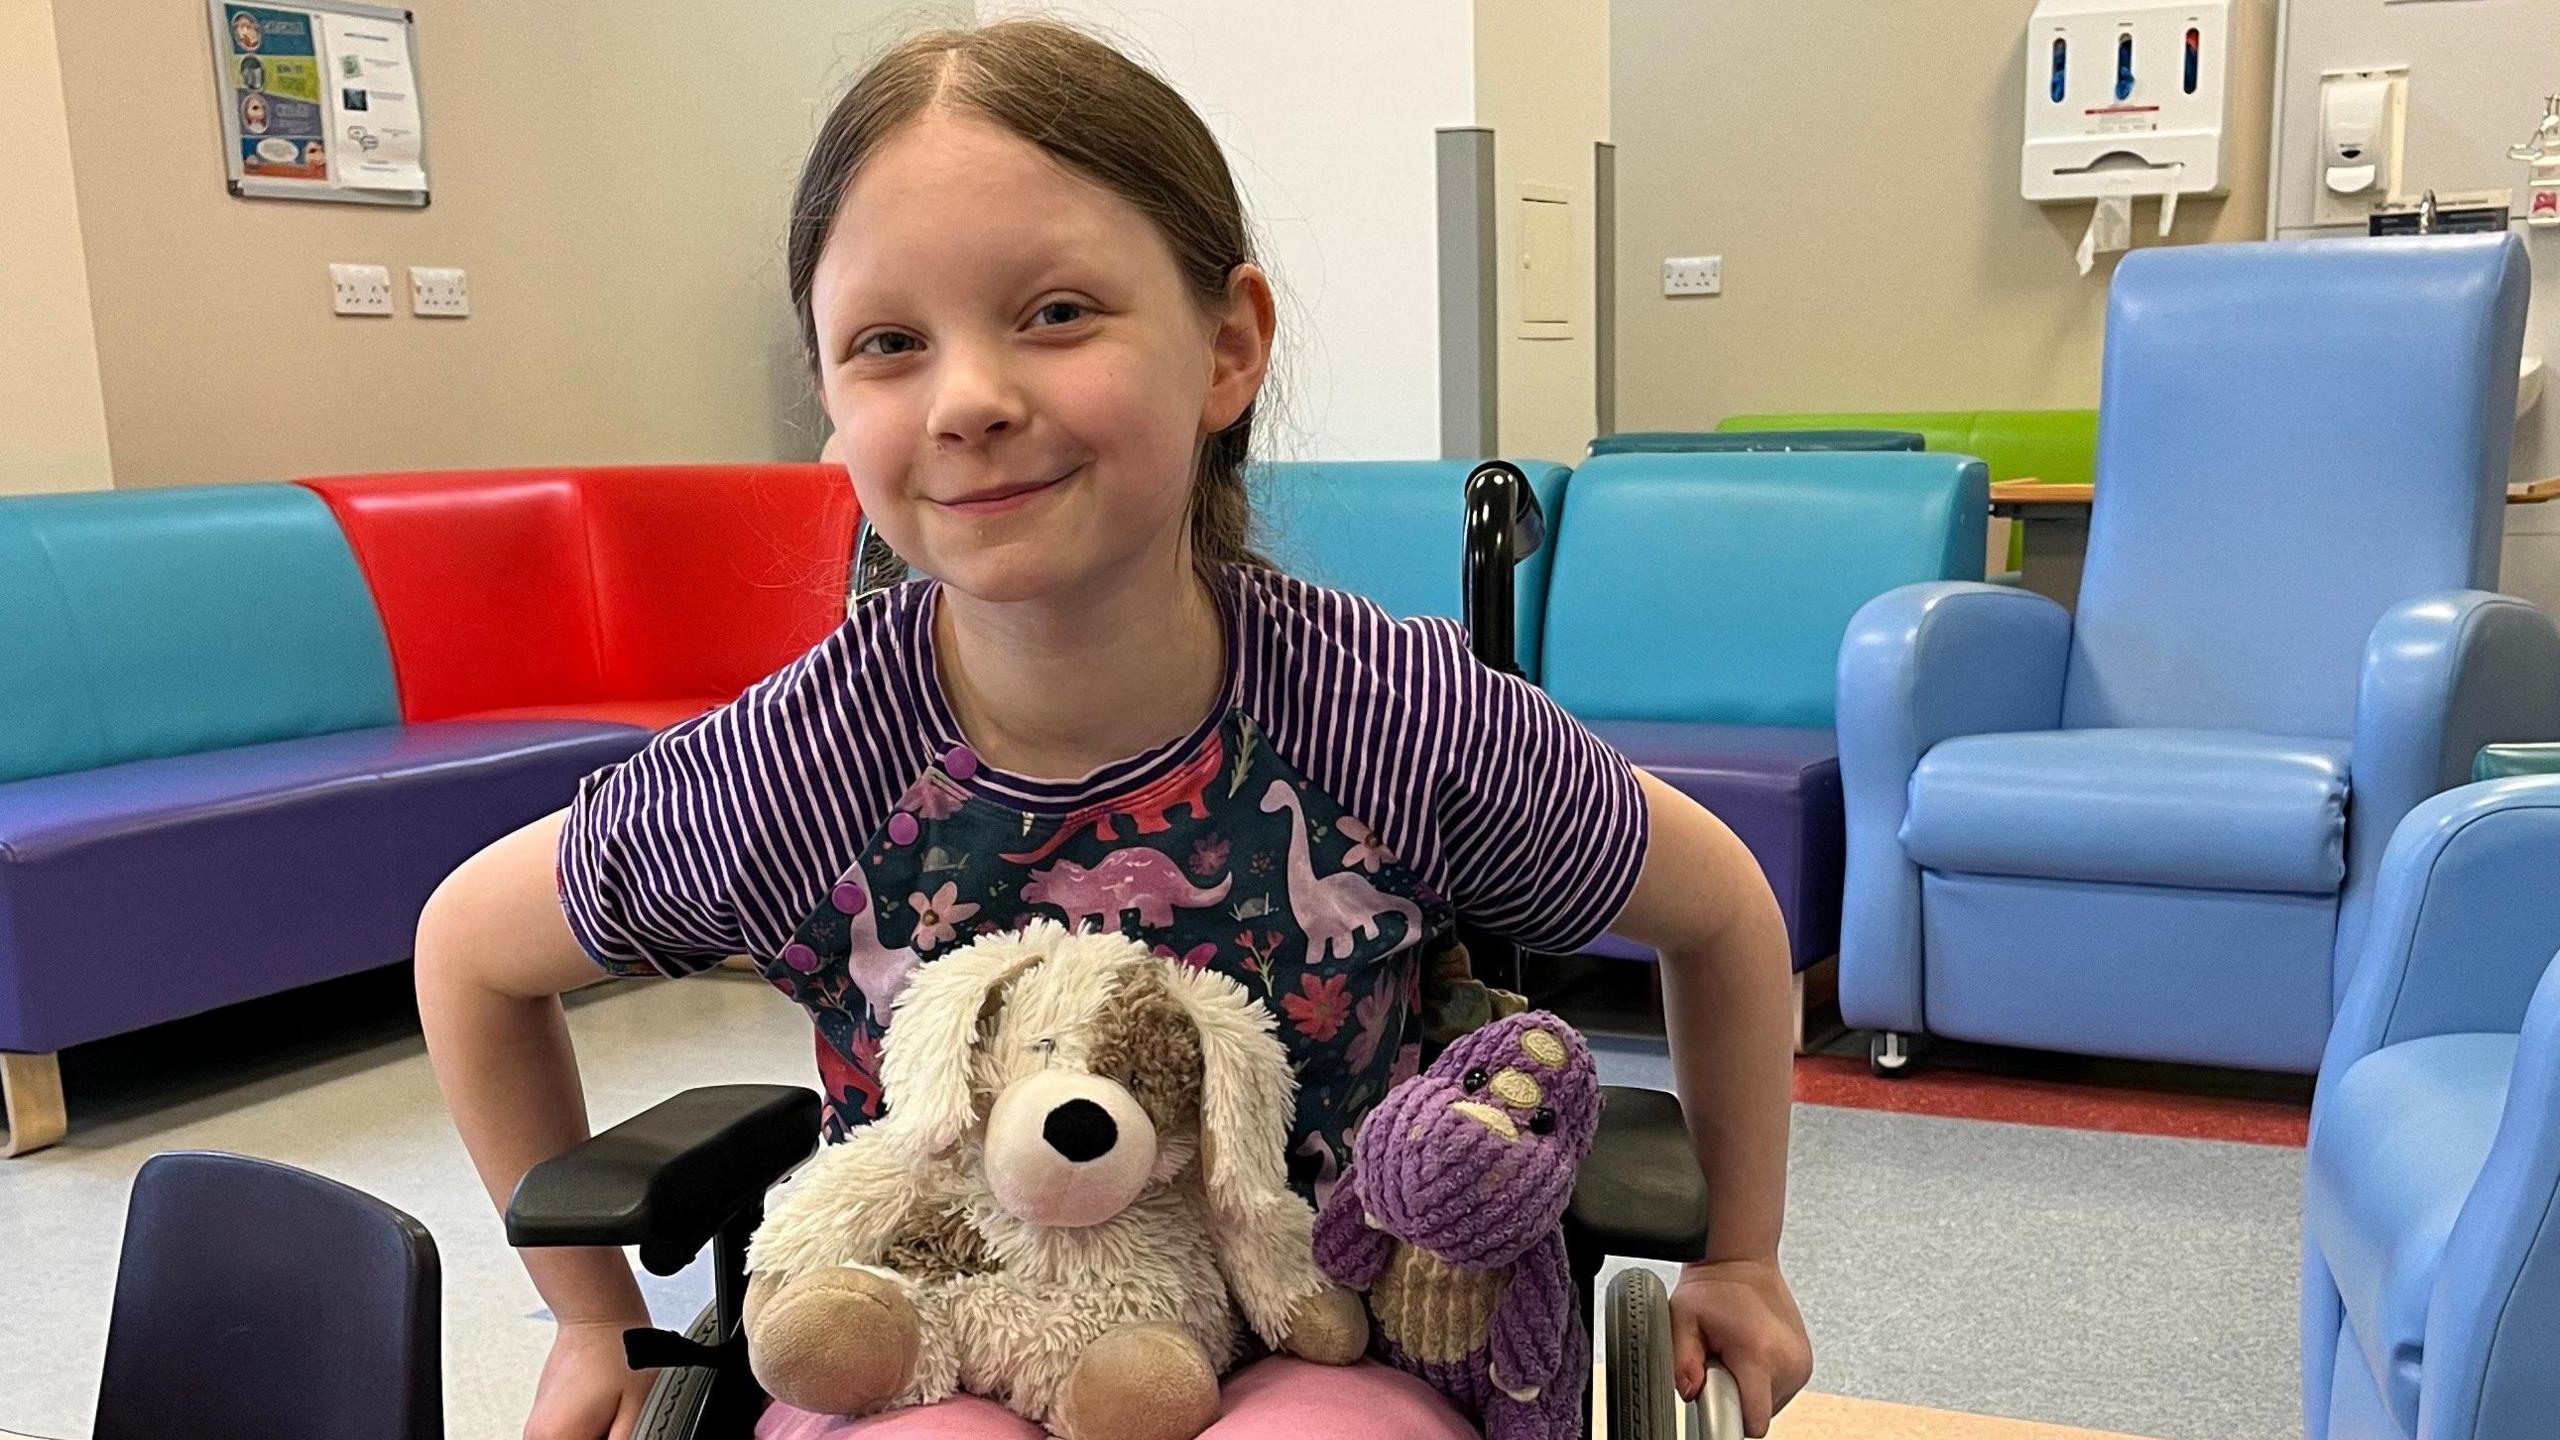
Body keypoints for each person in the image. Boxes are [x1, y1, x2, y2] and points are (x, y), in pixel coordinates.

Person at [415, 19, 1811, 1440]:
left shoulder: (1390, 717)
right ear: (831, 399)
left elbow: (1722, 914)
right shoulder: (809, 760)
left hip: (1318, 1327)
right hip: (936, 1330)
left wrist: (1742, 1254)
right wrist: (593, 1319)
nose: (968, 399)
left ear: (1226, 347)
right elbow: (473, 950)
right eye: (889, 343)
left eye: (1057, 312)